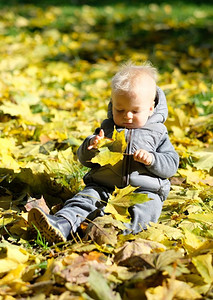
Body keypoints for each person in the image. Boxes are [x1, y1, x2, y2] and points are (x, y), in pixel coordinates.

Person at [28, 62, 179, 244]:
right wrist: (91, 146)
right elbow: (85, 160)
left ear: (150, 108)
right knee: (83, 201)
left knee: (145, 211)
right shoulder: (107, 129)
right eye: (120, 110)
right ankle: (62, 224)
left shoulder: (158, 132)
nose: (127, 116)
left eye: (134, 111)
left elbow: (171, 164)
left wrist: (153, 160)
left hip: (144, 190)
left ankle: (120, 237)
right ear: (112, 105)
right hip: (104, 186)